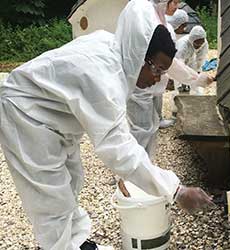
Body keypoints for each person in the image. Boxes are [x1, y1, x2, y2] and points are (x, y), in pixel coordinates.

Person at [0, 1, 213, 249]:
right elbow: (119, 150)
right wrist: (176, 190)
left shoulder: (114, 47)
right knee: (50, 197)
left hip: (55, 116)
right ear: (140, 55)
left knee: (71, 181)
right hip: (25, 114)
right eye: (156, 70)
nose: (157, 78)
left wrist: (191, 76)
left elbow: (165, 65)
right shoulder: (104, 79)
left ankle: (78, 242)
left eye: (162, 73)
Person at [127, 0, 213, 159]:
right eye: (174, 2)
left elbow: (169, 62)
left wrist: (197, 78)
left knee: (150, 128)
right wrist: (196, 79)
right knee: (142, 130)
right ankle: (131, 176)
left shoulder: (158, 16)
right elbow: (167, 62)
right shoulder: (142, 13)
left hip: (151, 84)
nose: (177, 6)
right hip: (141, 86)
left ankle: (143, 170)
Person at [176, 25, 209, 95]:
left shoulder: (204, 43)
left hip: (191, 60)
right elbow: (179, 64)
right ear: (192, 40)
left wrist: (198, 71)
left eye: (201, 43)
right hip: (180, 62)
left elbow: (200, 59)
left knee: (197, 85)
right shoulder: (182, 45)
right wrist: (184, 78)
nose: (199, 45)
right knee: (180, 87)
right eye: (197, 43)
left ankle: (198, 98)